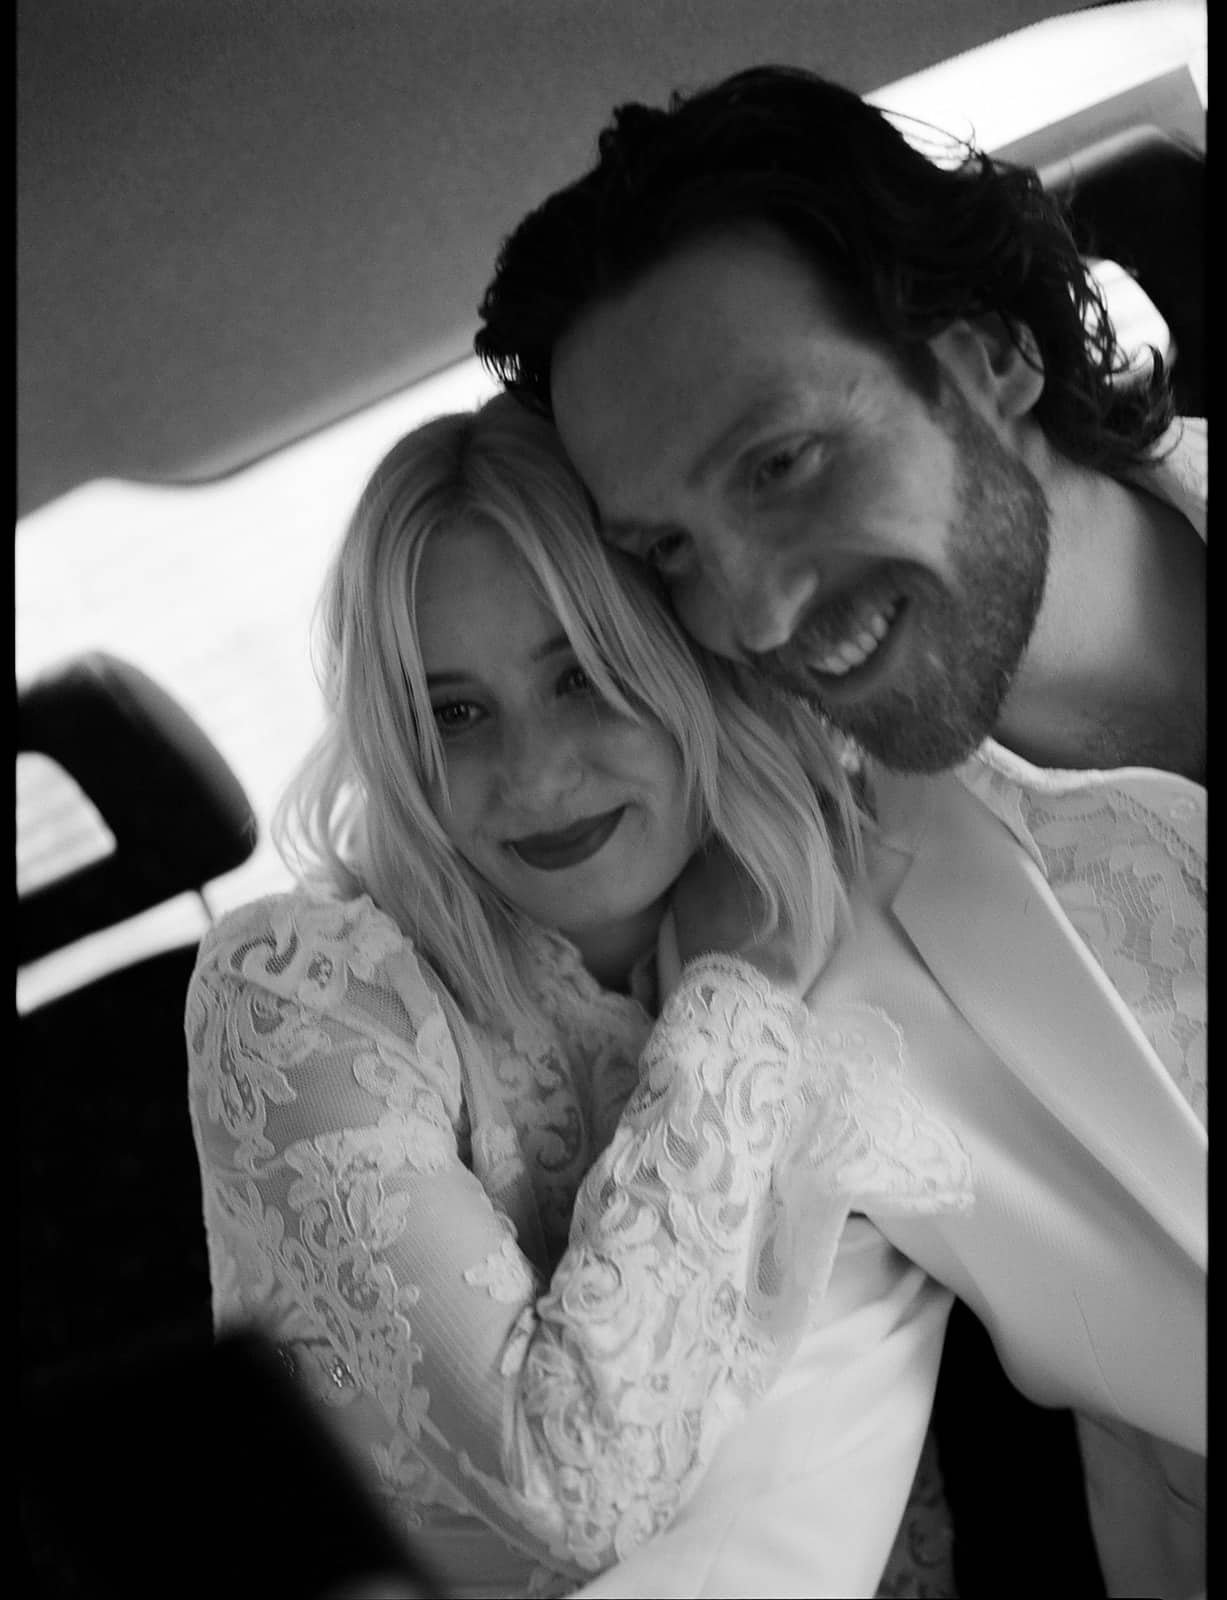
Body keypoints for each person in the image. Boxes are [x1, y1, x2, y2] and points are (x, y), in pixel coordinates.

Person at [474, 65, 1206, 1600]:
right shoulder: (791, 953)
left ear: (990, 354)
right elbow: (755, 1528)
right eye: (668, 551)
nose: (745, 612)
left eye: (781, 462)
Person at [184, 393, 977, 1600]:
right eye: (455, 713)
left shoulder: (867, 871)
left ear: (684, 657)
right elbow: (571, 1485)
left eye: (584, 676)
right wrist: (733, 993)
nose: (538, 777)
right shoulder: (301, 991)